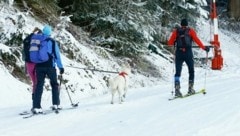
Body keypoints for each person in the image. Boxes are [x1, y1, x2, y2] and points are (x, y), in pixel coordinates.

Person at [168, 18, 210, 97]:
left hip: (179, 53)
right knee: (191, 71)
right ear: (187, 24)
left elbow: (170, 43)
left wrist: (174, 41)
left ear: (181, 24)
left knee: (177, 72)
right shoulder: (191, 31)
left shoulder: (176, 32)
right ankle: (190, 89)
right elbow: (197, 41)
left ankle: (177, 90)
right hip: (188, 53)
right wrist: (204, 48)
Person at [32, 25, 64, 113]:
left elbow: (33, 54)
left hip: (39, 66)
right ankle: (56, 104)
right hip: (50, 66)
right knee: (54, 84)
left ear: (43, 31)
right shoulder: (53, 42)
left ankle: (36, 106)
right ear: (50, 33)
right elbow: (57, 56)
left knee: (39, 85)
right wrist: (60, 67)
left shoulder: (37, 40)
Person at [22, 27, 42, 104]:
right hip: (36, 63)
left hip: (28, 63)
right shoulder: (37, 40)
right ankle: (36, 102)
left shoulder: (27, 39)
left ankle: (34, 100)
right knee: (37, 82)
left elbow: (24, 53)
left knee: (34, 82)